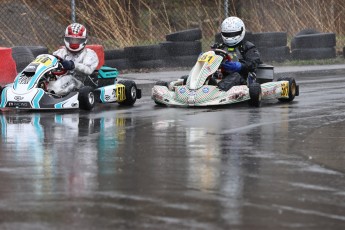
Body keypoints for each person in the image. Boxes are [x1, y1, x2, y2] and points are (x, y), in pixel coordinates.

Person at [48, 23, 99, 96]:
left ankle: (52, 95)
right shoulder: (59, 53)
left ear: (83, 40)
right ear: (67, 39)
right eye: (72, 39)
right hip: (61, 82)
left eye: (77, 40)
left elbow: (88, 70)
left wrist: (73, 65)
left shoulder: (90, 54)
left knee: (69, 79)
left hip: (82, 84)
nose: (74, 42)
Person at [213, 16, 261, 91]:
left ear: (241, 31)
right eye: (227, 34)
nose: (230, 37)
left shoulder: (247, 47)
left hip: (242, 80)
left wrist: (240, 66)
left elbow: (253, 63)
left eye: (233, 34)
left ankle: (217, 91)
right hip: (221, 78)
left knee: (235, 76)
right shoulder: (219, 47)